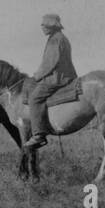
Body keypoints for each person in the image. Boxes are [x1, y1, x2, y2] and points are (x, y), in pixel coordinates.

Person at [24, 13, 77, 149]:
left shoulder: (55, 40)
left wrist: (36, 76)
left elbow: (49, 64)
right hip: (65, 75)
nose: (42, 27)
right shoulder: (59, 38)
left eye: (44, 24)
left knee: (34, 98)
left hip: (58, 78)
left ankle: (38, 135)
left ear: (51, 26)